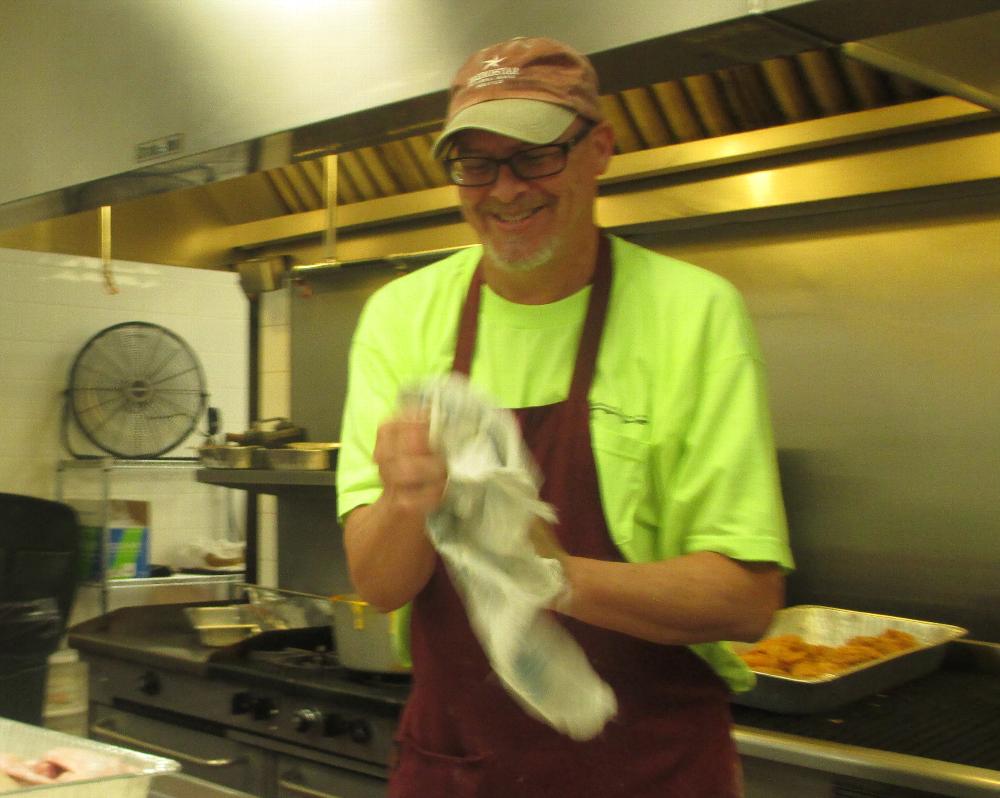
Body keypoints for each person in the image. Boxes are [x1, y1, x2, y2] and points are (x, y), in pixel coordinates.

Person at [336, 35, 793, 798]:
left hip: (652, 768)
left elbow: (743, 600)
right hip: (462, 767)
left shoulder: (693, 313)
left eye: (535, 155)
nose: (505, 189)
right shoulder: (401, 318)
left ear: (600, 149)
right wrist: (408, 500)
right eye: (476, 164)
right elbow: (380, 585)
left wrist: (546, 574)